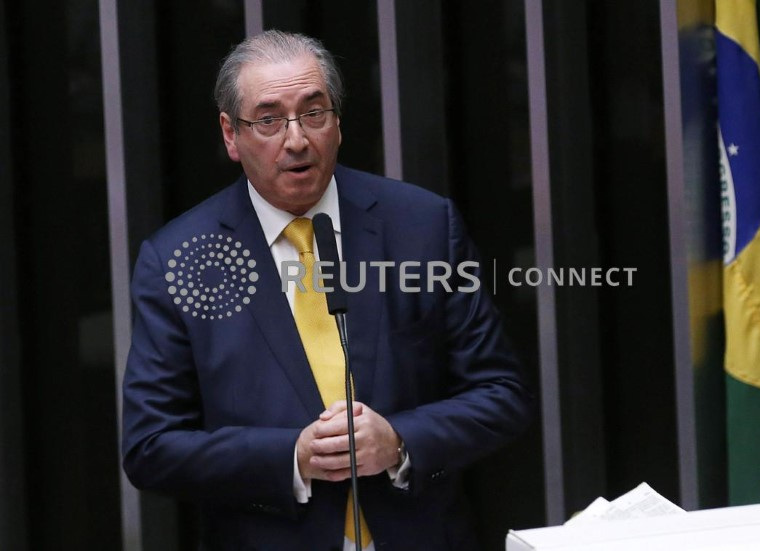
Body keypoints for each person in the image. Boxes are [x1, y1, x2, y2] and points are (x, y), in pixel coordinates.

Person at [122, 29, 533, 551]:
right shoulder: (179, 258)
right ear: (231, 135)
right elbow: (151, 446)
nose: (296, 139)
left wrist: (400, 440)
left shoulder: (422, 225)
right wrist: (292, 456)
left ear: (338, 122)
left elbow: (501, 394)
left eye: (313, 113)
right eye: (269, 120)